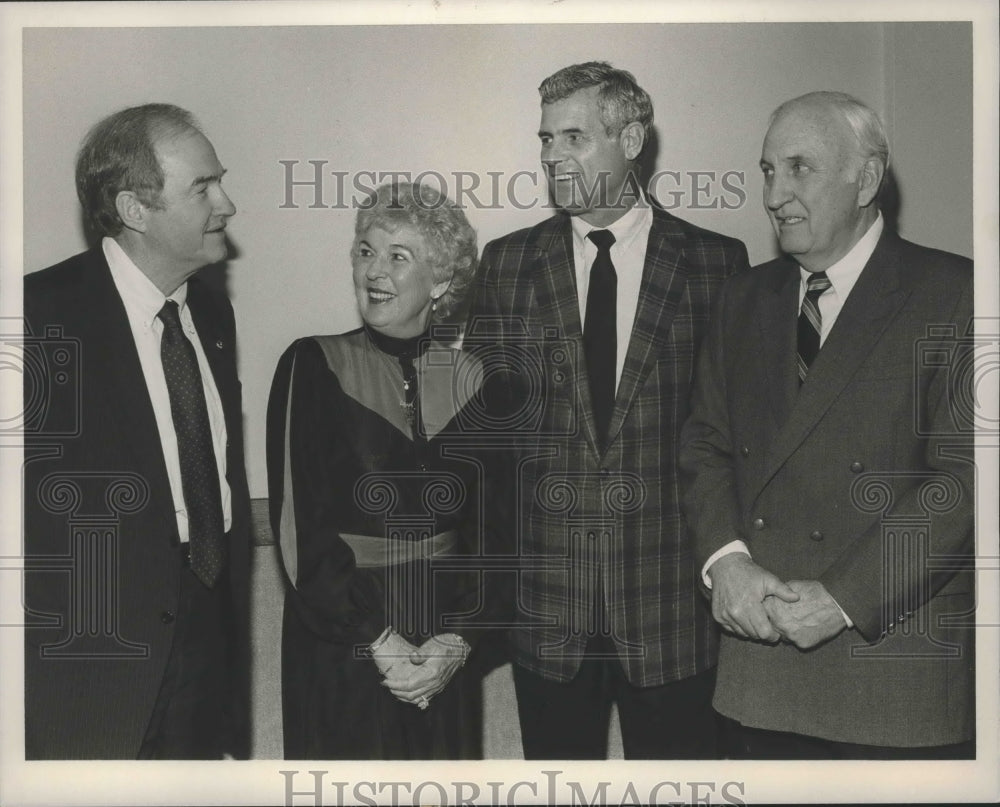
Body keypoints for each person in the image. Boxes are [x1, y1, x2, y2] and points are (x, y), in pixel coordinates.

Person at [466, 61, 750, 759]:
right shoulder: (506, 265)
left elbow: (739, 440)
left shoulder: (717, 265)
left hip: (673, 609)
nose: (552, 156)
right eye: (545, 139)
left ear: (631, 139)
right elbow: (481, 446)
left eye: (573, 137)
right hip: (548, 613)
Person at [679, 91, 975, 759]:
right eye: (766, 171)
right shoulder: (743, 298)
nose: (775, 193)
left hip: (894, 677)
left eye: (799, 168)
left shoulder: (957, 294)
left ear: (866, 178)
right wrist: (726, 564)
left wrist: (844, 598)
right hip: (760, 667)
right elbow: (706, 445)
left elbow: (964, 484)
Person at [22, 103, 250, 759]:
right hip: (94, 671)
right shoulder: (39, 318)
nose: (227, 204)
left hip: (209, 645)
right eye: (202, 187)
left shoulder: (210, 310)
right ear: (135, 208)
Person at [267, 181, 500, 759]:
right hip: (344, 639)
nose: (375, 269)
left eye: (399, 256)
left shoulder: (478, 381)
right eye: (366, 251)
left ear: (441, 281)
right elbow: (300, 532)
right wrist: (378, 639)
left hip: (444, 640)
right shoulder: (312, 363)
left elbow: (497, 532)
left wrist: (459, 641)